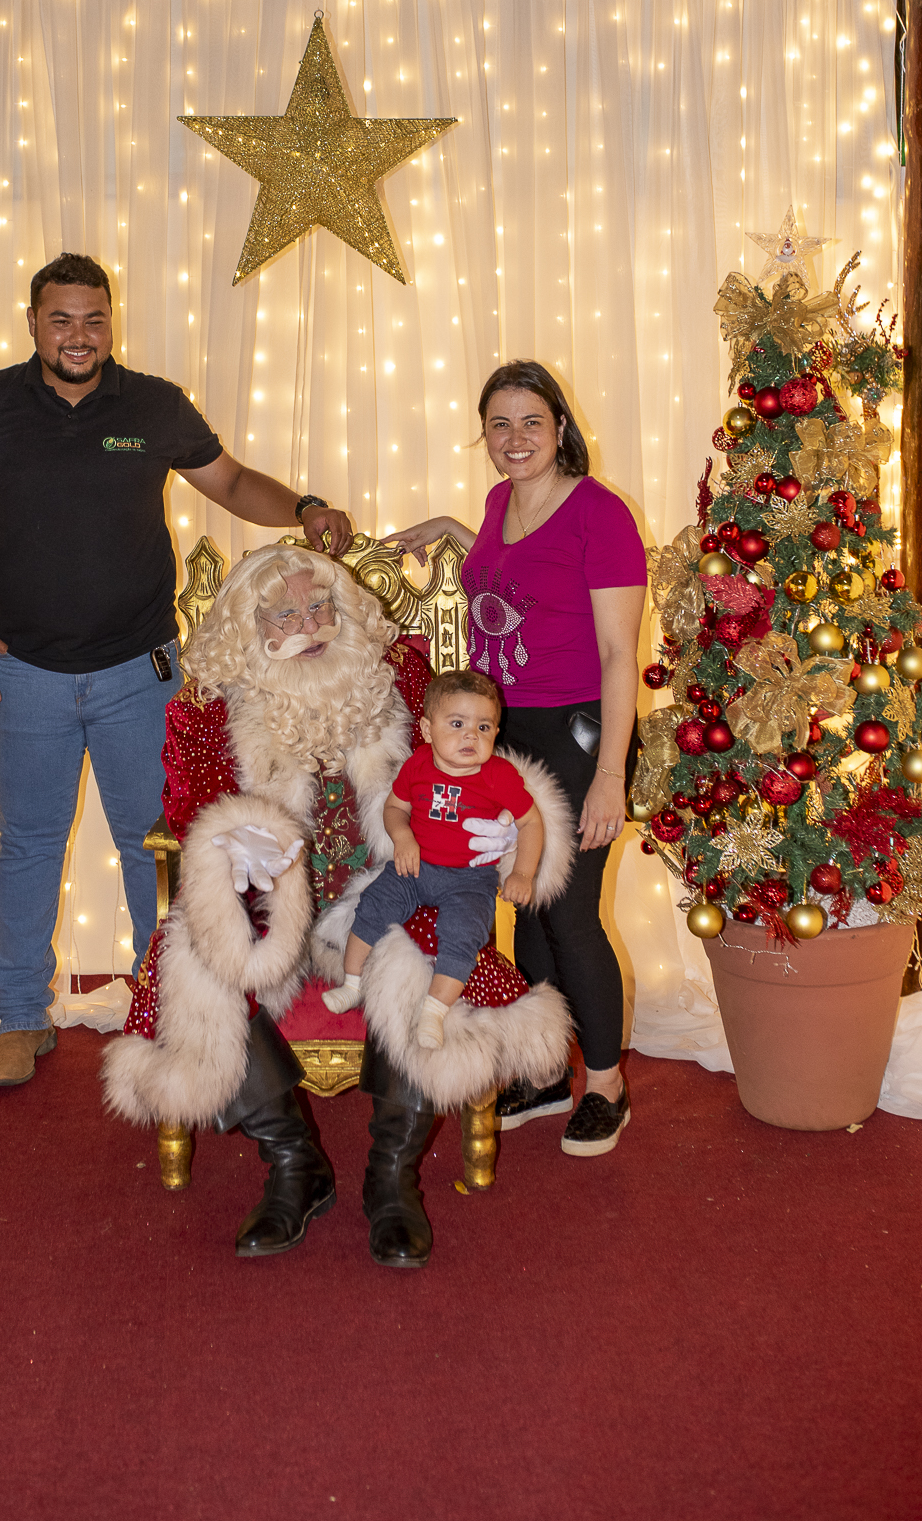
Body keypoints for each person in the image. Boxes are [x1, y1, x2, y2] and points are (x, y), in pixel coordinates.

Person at [0, 252, 353, 1089]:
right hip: (22, 674)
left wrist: (302, 508)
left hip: (138, 674)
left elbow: (230, 482)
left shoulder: (152, 403)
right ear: (33, 323)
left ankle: (170, 1014)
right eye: (60, 320)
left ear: (110, 322)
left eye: (93, 319)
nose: (78, 336)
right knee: (28, 846)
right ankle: (20, 1018)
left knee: (154, 848)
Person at [102, 545, 575, 1269]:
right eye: (284, 615)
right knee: (201, 964)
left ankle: (392, 1178)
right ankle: (295, 1166)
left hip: (396, 883)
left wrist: (509, 830)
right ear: (249, 627)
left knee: (423, 956)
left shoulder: (400, 677)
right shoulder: (206, 709)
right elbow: (189, 811)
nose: (309, 625)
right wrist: (230, 844)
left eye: (320, 606)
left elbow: (476, 763)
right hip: (270, 903)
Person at [385, 359, 646, 1157]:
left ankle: (605, 1085)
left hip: (577, 733)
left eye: (530, 421)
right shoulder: (501, 503)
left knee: (568, 913)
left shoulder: (600, 514)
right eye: (498, 424)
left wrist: (609, 777)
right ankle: (540, 1070)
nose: (514, 437)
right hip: (506, 733)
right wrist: (450, 528)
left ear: (560, 427)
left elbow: (617, 655)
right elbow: (513, 584)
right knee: (522, 900)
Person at [323, 670, 541, 1048]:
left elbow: (532, 822)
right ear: (427, 729)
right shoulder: (419, 763)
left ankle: (434, 1011)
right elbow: (395, 807)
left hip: (470, 879)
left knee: (462, 935)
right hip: (415, 866)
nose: (471, 736)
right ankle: (352, 983)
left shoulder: (500, 776)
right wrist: (403, 836)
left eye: (483, 727)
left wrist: (523, 872)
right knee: (372, 906)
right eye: (457, 724)